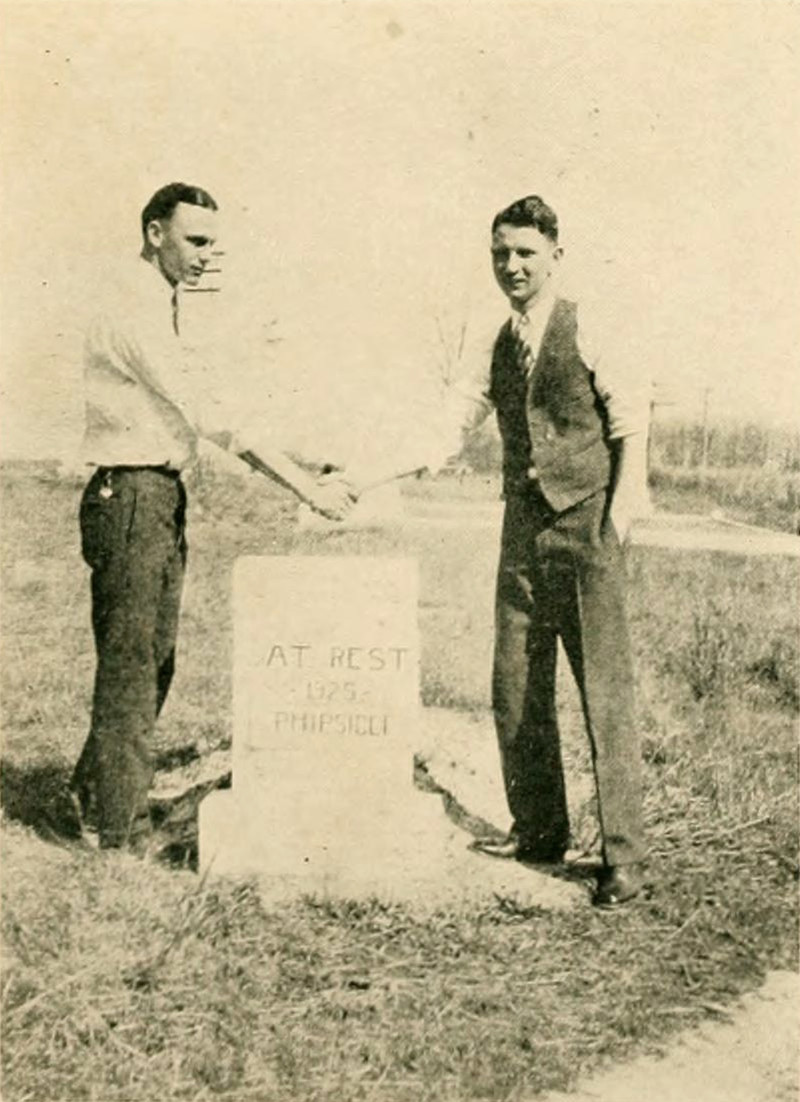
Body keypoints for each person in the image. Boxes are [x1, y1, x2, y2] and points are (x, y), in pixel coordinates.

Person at [343, 195, 650, 907]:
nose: (511, 266)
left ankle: (625, 859)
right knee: (515, 684)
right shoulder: (495, 344)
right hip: (522, 532)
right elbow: (443, 432)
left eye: (525, 253)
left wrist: (620, 515)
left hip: (587, 525)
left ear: (556, 257)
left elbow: (631, 422)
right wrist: (362, 476)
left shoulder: (590, 324)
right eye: (500, 253)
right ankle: (539, 832)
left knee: (604, 691)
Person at [70, 182, 353, 854]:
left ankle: (94, 796)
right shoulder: (132, 306)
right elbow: (213, 414)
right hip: (131, 496)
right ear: (155, 233)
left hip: (156, 495)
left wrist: (306, 460)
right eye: (195, 241)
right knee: (134, 664)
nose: (205, 256)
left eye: (212, 244)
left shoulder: (157, 303)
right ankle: (120, 831)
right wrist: (302, 488)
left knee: (153, 658)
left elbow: (208, 405)